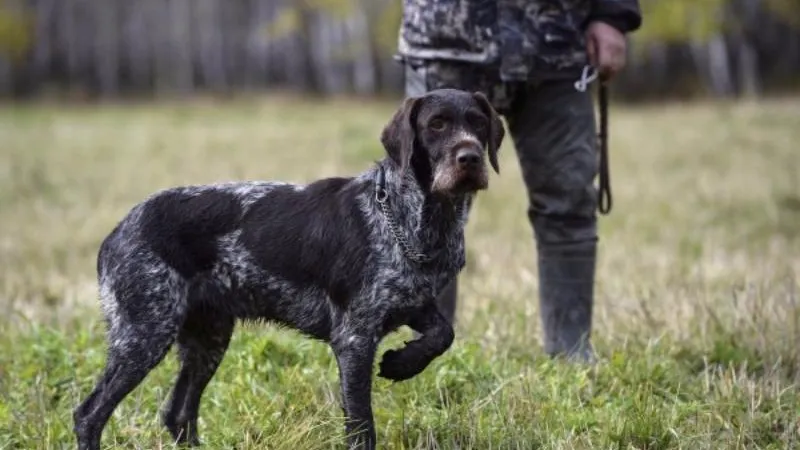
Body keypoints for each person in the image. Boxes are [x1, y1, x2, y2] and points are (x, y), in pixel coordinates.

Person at [395, 0, 642, 363]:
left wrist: (612, 14)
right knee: (428, 208)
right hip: (446, 38)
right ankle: (429, 356)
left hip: (557, 39)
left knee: (569, 199)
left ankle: (571, 354)